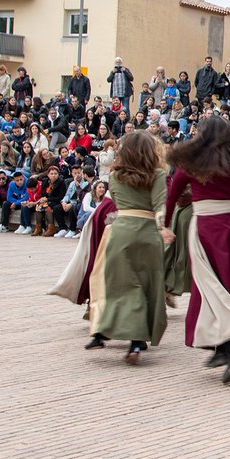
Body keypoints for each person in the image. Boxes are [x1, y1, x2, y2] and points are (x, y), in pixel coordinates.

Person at [166, 116, 230, 384]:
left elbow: (171, 197)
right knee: (227, 285)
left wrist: (164, 226)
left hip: (205, 230)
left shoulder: (190, 163)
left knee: (209, 289)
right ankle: (219, 348)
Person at [78, 131, 173, 364]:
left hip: (121, 231)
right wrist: (162, 227)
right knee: (145, 285)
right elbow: (160, 204)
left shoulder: (115, 177)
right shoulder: (158, 174)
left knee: (119, 285)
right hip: (149, 233)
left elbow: (117, 204)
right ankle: (137, 340)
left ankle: (105, 332)